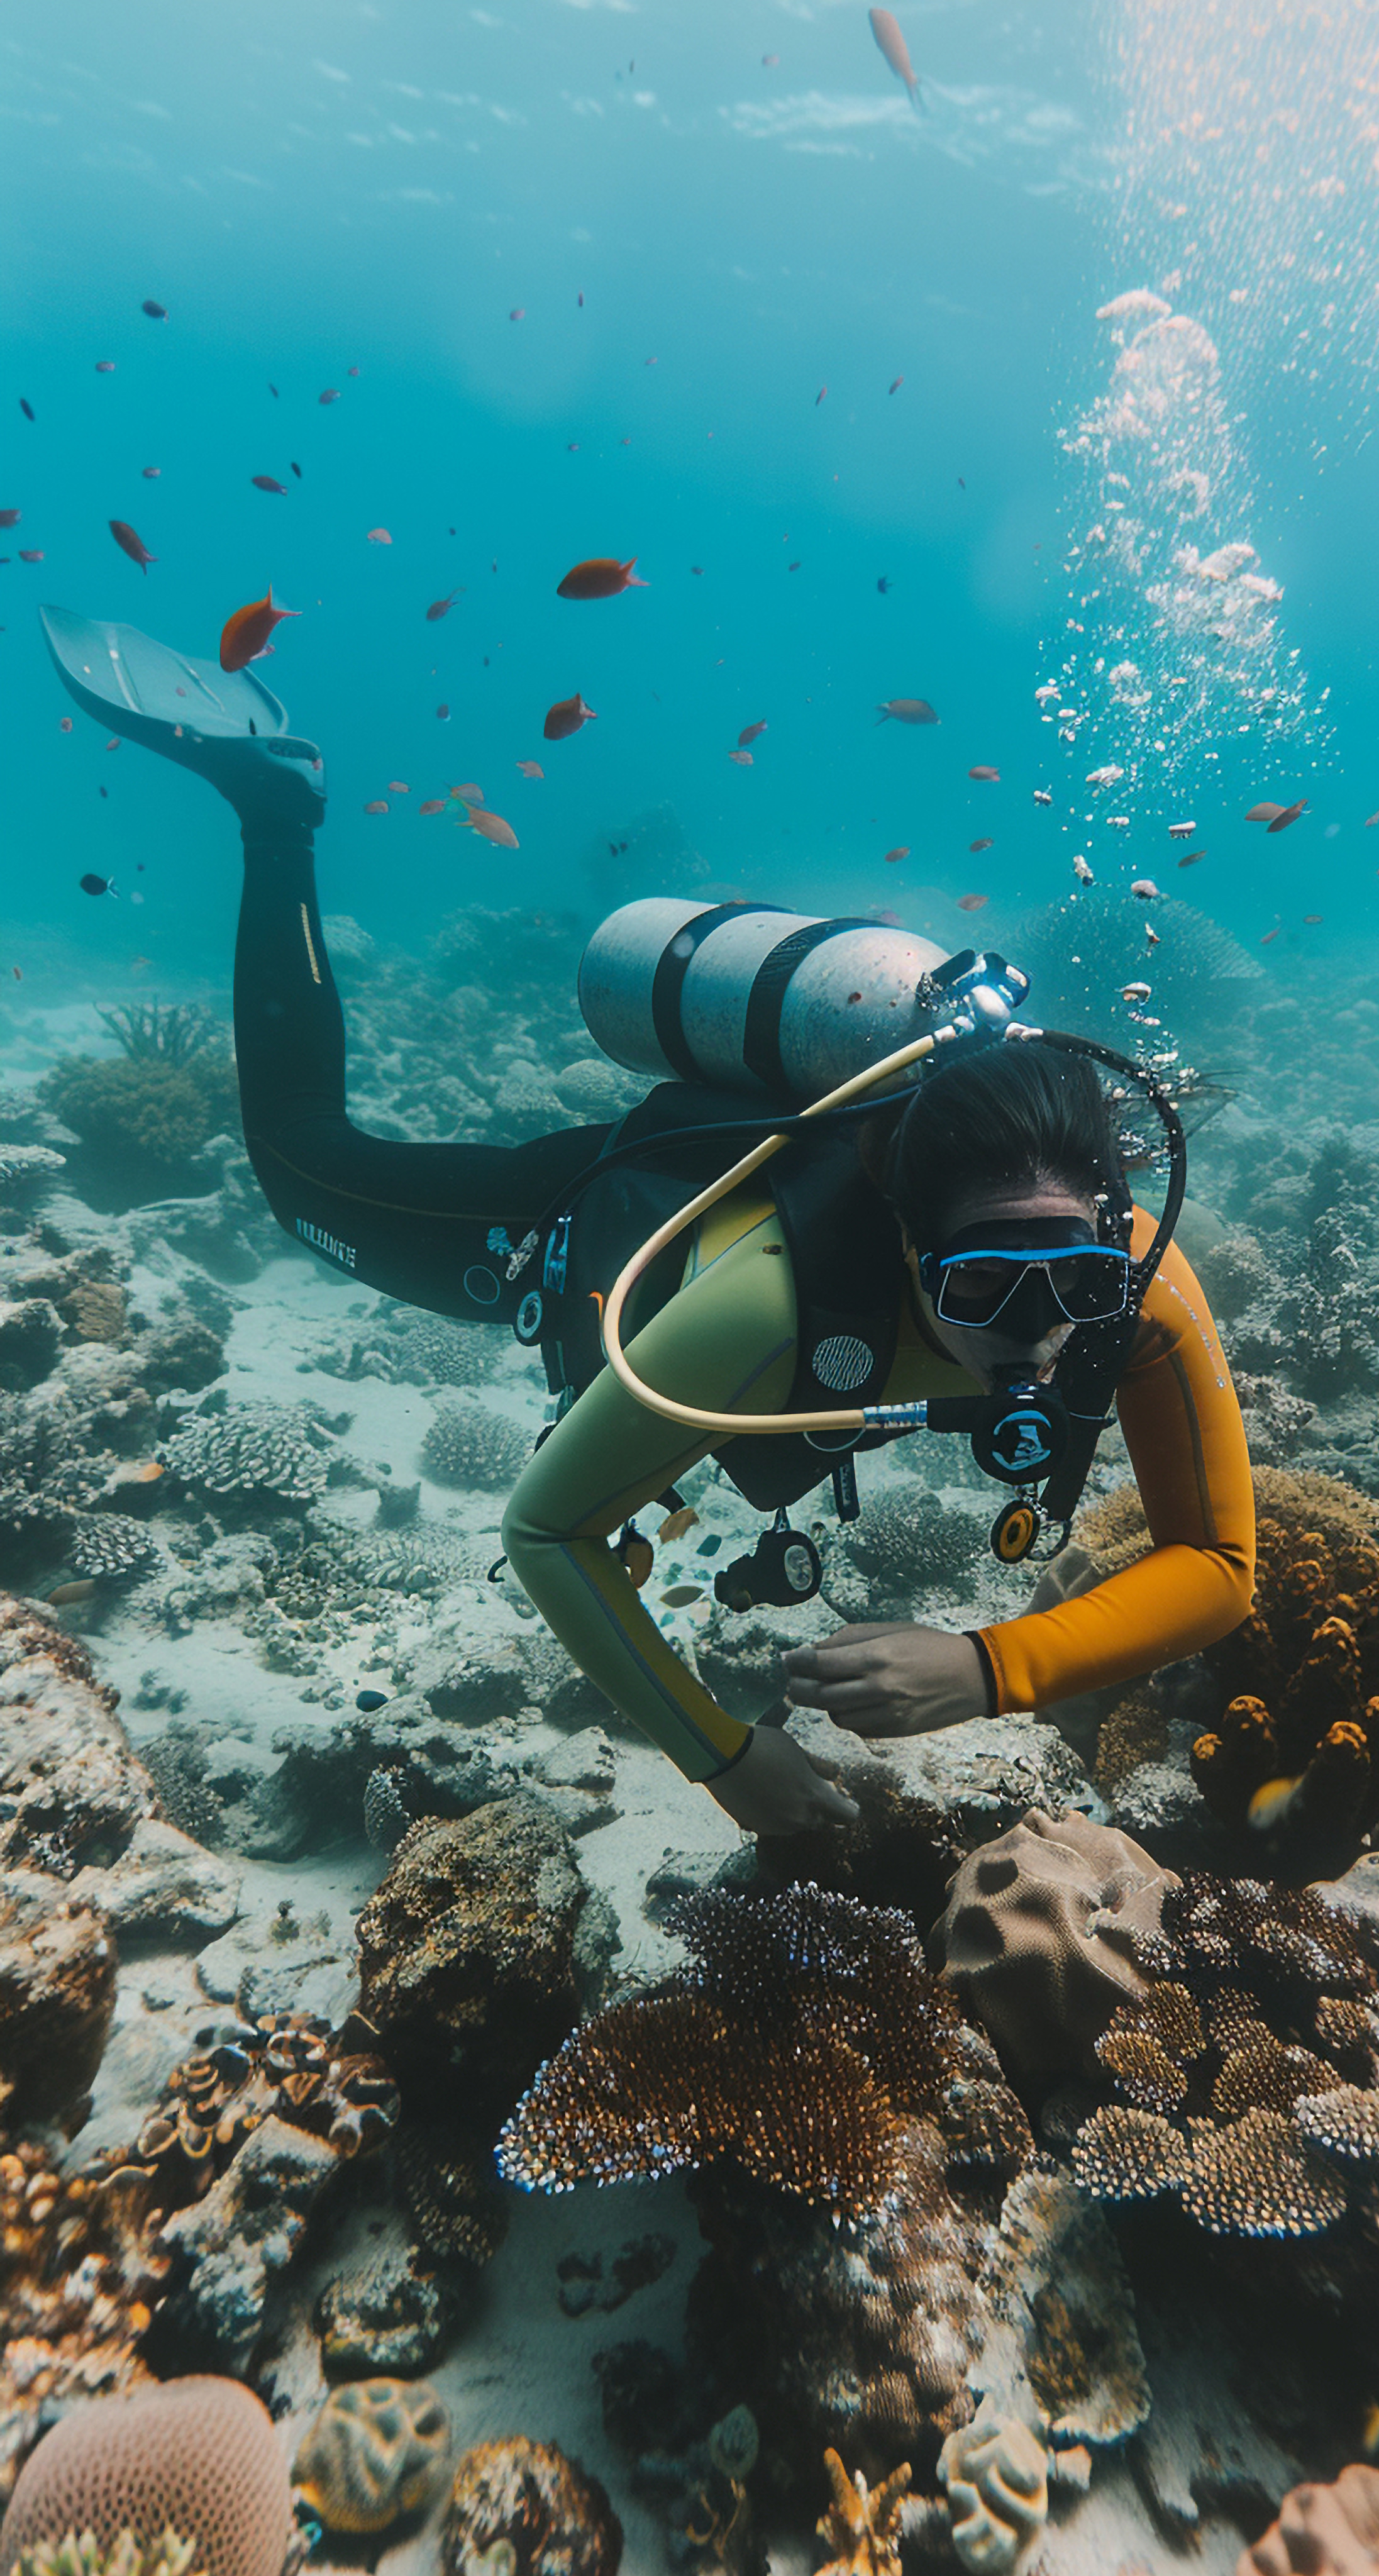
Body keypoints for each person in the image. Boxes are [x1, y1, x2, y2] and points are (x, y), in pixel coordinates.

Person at [43, 609, 1255, 1838]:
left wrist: (995, 1667)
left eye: (1082, 1285)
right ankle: (277, 809)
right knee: (303, 1167)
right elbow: (545, 1527)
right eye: (986, 1285)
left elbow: (1218, 1567)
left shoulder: (1144, 1283)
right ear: (903, 1238)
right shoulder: (768, 1305)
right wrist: (726, 1760)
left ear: (1119, 1240)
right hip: (585, 1230)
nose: (1043, 1334)